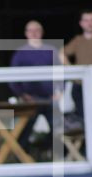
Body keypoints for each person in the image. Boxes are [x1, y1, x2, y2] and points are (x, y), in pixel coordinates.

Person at [10, 21, 63, 155]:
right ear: (26, 33)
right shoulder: (20, 53)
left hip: (50, 98)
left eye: (37, 30)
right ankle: (22, 156)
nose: (34, 33)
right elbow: (13, 77)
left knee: (58, 128)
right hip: (30, 100)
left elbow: (60, 72)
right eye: (30, 30)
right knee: (24, 129)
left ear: (41, 32)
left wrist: (59, 91)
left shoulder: (51, 50)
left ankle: (48, 151)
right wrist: (22, 94)